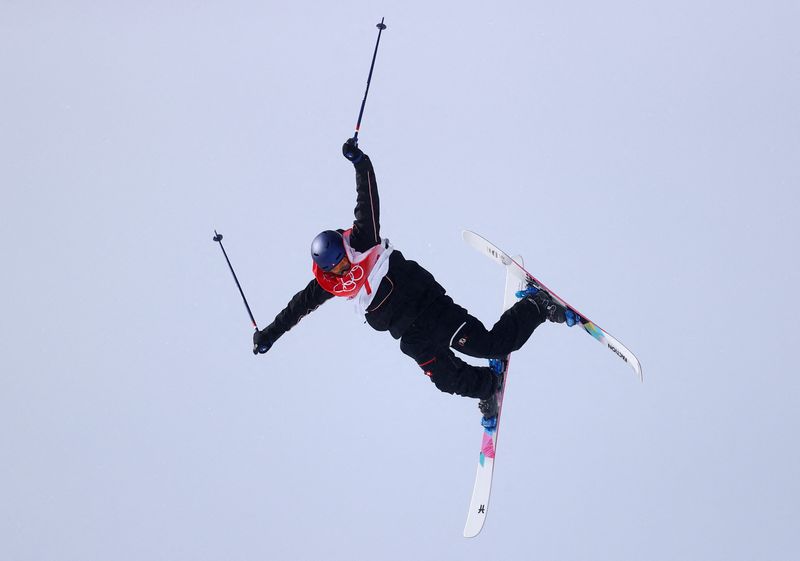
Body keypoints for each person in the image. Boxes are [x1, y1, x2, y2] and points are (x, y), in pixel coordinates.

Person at [253, 138, 573, 419]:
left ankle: (536, 306)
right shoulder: (329, 283)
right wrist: (269, 334)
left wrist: (360, 162)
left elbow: (368, 200)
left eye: (342, 263)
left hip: (429, 310)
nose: (343, 271)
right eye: (334, 270)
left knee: (492, 345)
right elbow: (298, 308)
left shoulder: (363, 241)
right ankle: (488, 387)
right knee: (446, 380)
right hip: (409, 334)